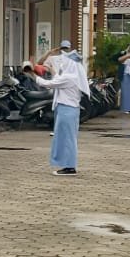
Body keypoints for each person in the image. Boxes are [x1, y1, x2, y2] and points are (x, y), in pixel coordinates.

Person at [32, 47, 89, 176]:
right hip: (69, 109)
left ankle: (69, 167)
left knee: (67, 139)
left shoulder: (69, 77)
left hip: (66, 110)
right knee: (65, 138)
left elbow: (48, 84)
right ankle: (67, 165)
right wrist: (52, 70)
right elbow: (58, 78)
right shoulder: (73, 76)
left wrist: (32, 75)